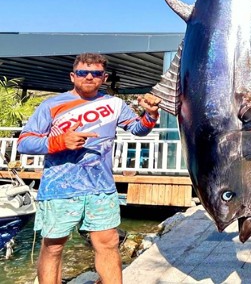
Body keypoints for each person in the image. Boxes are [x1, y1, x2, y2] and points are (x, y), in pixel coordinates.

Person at [17, 53, 161, 284]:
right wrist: (59, 142)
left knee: (108, 242)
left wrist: (150, 115)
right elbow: (24, 142)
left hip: (101, 188)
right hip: (59, 189)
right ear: (73, 76)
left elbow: (137, 129)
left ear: (104, 78)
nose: (90, 77)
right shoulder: (51, 105)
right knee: (53, 246)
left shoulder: (114, 104)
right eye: (84, 72)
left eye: (96, 73)